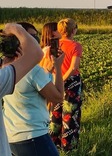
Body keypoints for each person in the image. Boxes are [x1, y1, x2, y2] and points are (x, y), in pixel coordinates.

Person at [2, 23, 65, 156]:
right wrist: (58, 68)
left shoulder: (5, 67)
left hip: (11, 136)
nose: (35, 41)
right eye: (31, 37)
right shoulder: (34, 71)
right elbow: (58, 97)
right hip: (34, 136)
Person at [0, 23, 44, 155]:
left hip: (13, 133)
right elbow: (36, 53)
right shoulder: (36, 72)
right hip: (33, 132)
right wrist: (14, 28)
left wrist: (8, 65)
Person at [49, 18, 83, 151]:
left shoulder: (55, 45)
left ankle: (53, 145)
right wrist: (63, 79)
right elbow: (74, 67)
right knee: (70, 115)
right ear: (73, 30)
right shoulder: (76, 46)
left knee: (55, 113)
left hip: (54, 80)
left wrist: (57, 79)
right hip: (71, 83)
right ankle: (68, 148)